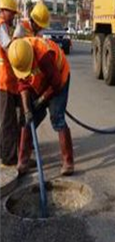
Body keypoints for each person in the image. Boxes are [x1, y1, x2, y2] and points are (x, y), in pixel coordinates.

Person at [8, 36, 74, 176]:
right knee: (27, 120)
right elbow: (23, 85)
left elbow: (55, 84)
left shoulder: (44, 55)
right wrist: (27, 110)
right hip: (40, 80)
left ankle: (68, 162)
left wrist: (42, 100)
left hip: (59, 78)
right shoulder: (17, 55)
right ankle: (23, 162)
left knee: (57, 117)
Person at [0, 0, 20, 167]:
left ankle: (6, 153)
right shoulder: (0, 25)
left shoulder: (5, 26)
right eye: (11, 12)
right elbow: (8, 48)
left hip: (6, 81)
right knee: (7, 121)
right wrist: (18, 37)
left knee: (6, 119)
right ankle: (9, 158)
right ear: (3, 11)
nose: (13, 15)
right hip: (4, 81)